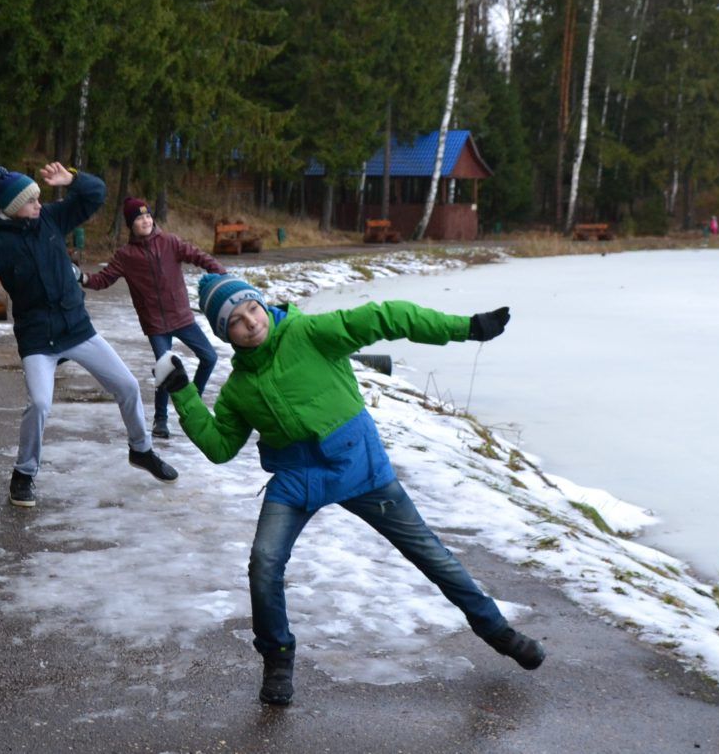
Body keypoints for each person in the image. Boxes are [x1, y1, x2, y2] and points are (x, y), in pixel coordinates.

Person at [154, 274, 546, 707]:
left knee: (429, 553)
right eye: (235, 321)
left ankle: (498, 631)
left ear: (263, 304)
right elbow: (220, 446)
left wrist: (466, 328)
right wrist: (182, 393)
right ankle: (278, 656)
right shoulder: (239, 391)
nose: (250, 322)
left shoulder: (311, 333)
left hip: (359, 466)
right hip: (297, 478)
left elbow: (387, 317)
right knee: (264, 562)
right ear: (224, 333)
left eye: (252, 308)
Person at [0, 163, 177, 508]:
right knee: (39, 404)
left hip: (77, 329)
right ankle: (23, 475)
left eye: (40, 198)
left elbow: (95, 195)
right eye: (32, 201)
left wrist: (73, 180)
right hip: (38, 339)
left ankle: (141, 450)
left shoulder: (51, 219)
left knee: (127, 386)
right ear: (12, 208)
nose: (39, 204)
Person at [81, 197, 226, 439]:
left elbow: (198, 256)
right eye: (139, 218)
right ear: (131, 224)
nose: (145, 220)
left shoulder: (170, 242)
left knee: (209, 357)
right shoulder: (125, 256)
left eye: (147, 215)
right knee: (165, 368)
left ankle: (193, 400)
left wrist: (221, 273)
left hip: (181, 316)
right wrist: (82, 278)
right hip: (156, 324)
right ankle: (161, 419)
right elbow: (103, 279)